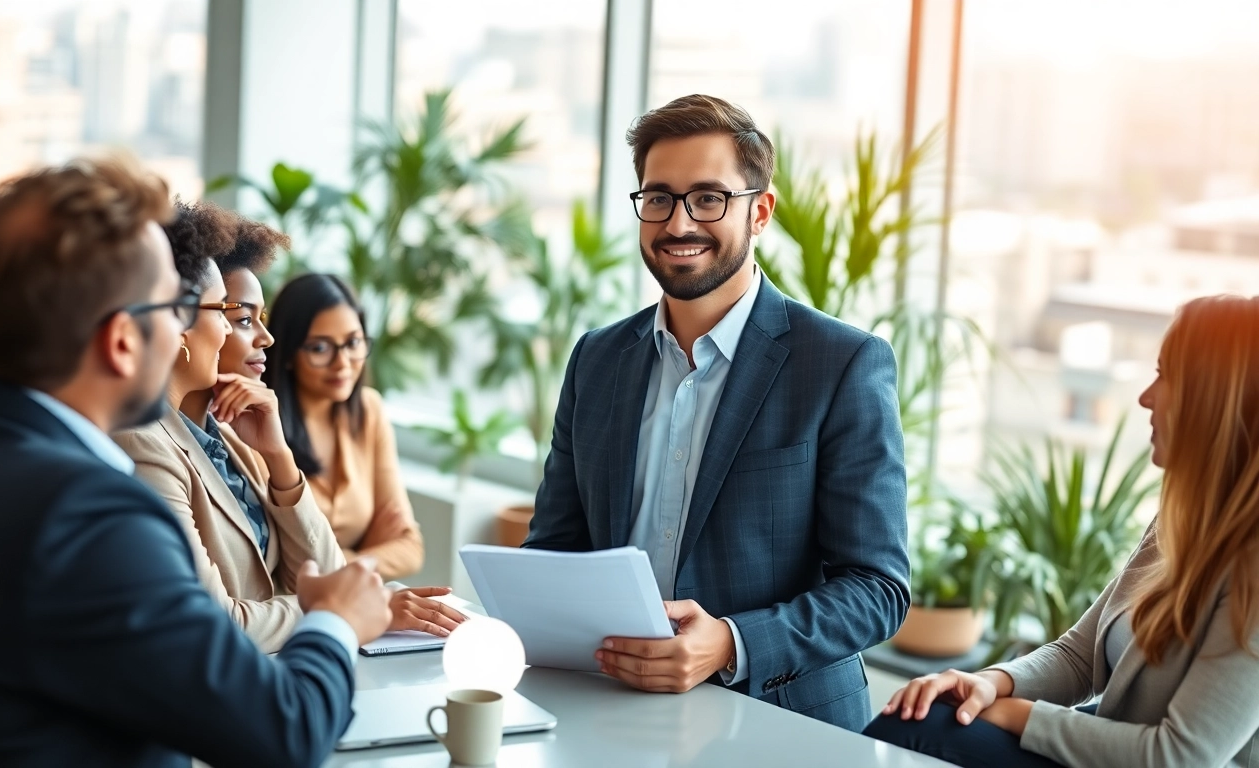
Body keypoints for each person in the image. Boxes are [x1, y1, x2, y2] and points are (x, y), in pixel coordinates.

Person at [0, 156, 392, 767]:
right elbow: (286, 733)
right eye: (175, 309)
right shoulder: (90, 518)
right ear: (122, 341)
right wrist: (334, 621)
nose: (183, 335)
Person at [522, 94, 909, 732]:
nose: (679, 223)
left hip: (780, 724)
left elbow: (877, 589)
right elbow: (556, 549)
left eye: (708, 198)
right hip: (607, 709)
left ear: (760, 212)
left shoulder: (842, 364)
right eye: (659, 198)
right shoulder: (597, 359)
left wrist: (731, 642)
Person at [865, 295, 1259, 768]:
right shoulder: (1181, 522)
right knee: (916, 716)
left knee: (916, 731)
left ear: (1217, 400)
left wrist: (1014, 713)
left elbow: (1178, 757)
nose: (1146, 396)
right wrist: (990, 683)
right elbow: (1079, 655)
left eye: (1167, 375)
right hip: (1118, 742)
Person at [115, 201, 462, 652]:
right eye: (235, 317)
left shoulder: (234, 437)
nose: (264, 338)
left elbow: (321, 573)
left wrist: (279, 459)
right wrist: (343, 606)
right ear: (178, 323)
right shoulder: (144, 445)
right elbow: (213, 623)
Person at [264, 273, 424, 580]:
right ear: (287, 354)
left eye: (352, 343)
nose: (342, 363)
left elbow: (410, 548)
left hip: (351, 601)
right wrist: (371, 551)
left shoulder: (368, 411)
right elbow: (282, 570)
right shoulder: (260, 429)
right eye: (319, 348)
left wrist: (339, 563)